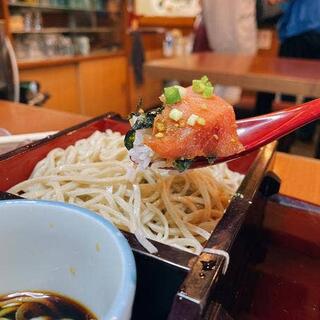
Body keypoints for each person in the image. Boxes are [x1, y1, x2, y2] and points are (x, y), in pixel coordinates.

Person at [255, 0, 320, 151]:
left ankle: (284, 136)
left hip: (298, 32)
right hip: (314, 34)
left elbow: (273, 1)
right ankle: (305, 133)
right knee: (315, 89)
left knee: (286, 88)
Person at [201, 0, 257, 105]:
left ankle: (216, 113)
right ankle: (222, 115)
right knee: (232, 86)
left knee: (222, 84)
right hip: (241, 35)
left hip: (217, 34)